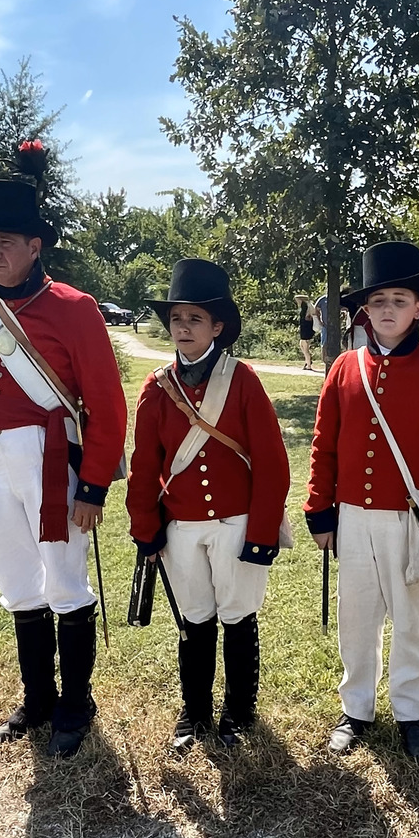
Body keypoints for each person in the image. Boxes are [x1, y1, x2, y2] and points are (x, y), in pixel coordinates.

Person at [0, 149, 129, 758]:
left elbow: (107, 404)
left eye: (7, 241)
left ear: (35, 245)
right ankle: (37, 699)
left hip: (53, 460)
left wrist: (93, 486)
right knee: (20, 585)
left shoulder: (74, 308)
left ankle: (77, 703)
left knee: (66, 584)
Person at [306, 241, 419, 761]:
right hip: (353, 518)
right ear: (365, 309)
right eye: (378, 301)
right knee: (356, 616)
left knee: (409, 619)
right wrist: (320, 508)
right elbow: (325, 442)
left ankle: (411, 711)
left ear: (418, 307)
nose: (387, 310)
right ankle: (355, 707)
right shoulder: (343, 368)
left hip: (409, 517)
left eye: (399, 300)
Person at [129, 260, 291, 755]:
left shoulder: (241, 380)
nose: (183, 327)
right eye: (177, 318)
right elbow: (144, 466)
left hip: (236, 523)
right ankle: (193, 712)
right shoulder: (157, 389)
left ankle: (239, 712)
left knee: (237, 617)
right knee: (194, 621)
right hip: (181, 526)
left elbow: (270, 461)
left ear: (217, 326)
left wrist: (262, 531)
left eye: (195, 319)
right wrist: (145, 528)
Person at [296, 293, 317, 371]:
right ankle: (307, 361)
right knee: (302, 344)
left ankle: (308, 364)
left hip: (306, 329)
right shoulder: (306, 306)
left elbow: (308, 317)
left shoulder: (306, 306)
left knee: (305, 347)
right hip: (304, 329)